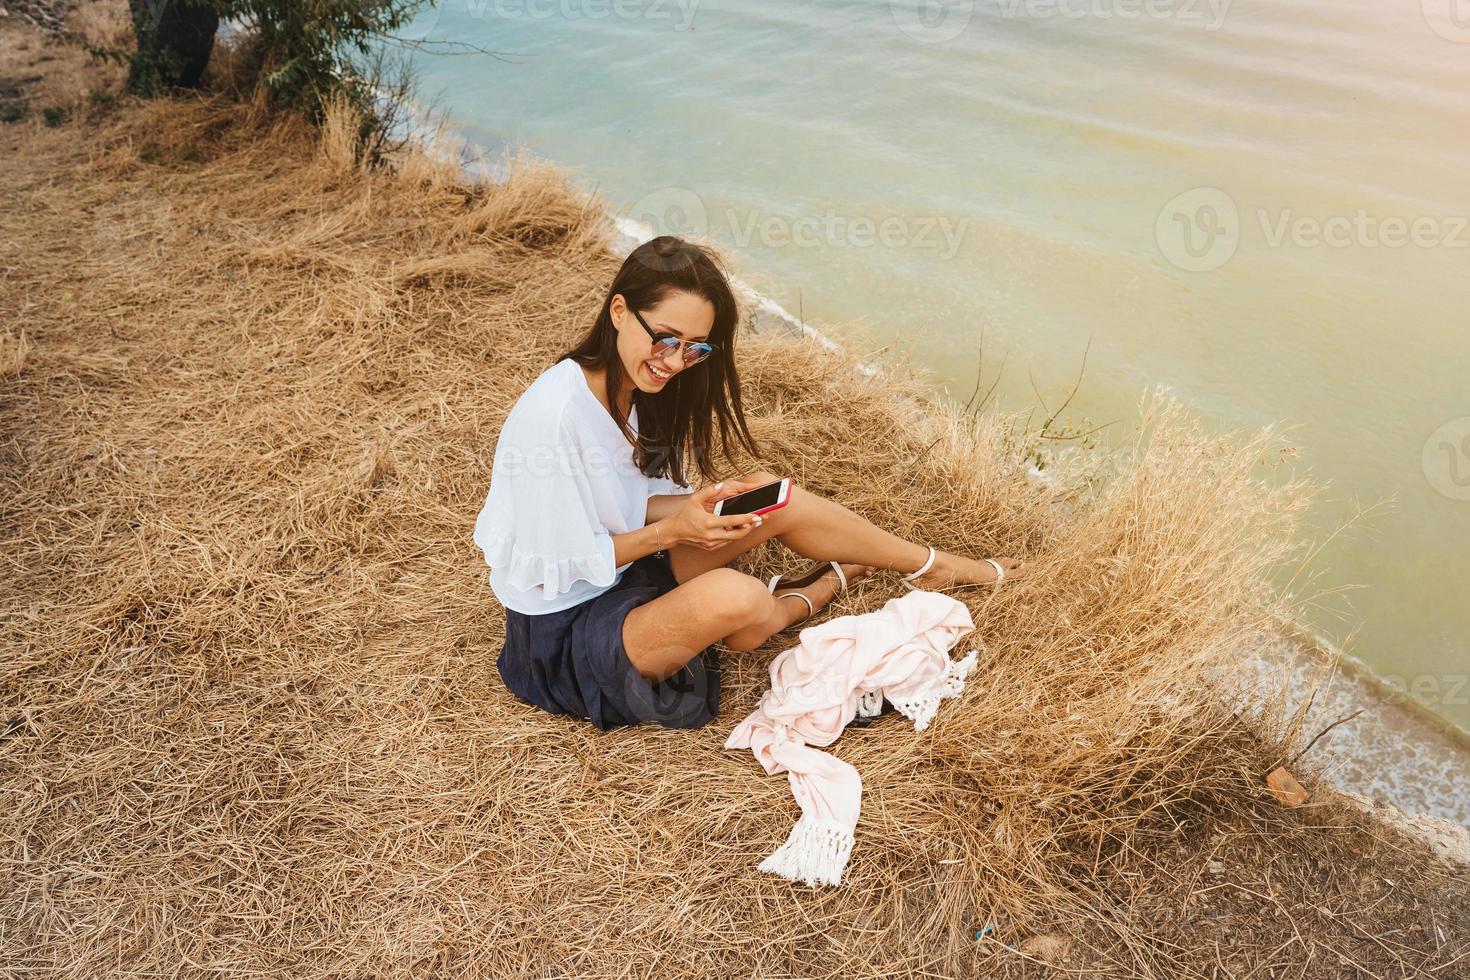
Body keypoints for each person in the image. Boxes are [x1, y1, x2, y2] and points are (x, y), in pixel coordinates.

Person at [473, 235, 1026, 731]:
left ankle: (938, 565)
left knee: (766, 492)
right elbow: (561, 565)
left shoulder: (632, 391)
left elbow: (620, 501)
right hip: (569, 635)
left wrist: (698, 505)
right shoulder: (554, 416)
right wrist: (673, 534)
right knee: (735, 600)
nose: (678, 361)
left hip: (624, 576)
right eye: (665, 338)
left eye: (696, 347)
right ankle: (815, 591)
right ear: (619, 312)